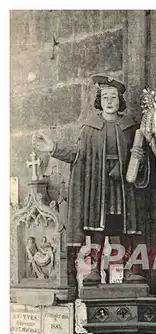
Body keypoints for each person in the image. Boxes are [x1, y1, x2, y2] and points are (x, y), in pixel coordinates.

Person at [32, 75, 147, 286]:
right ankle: (94, 269)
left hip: (123, 188)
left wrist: (126, 166)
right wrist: (54, 148)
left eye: (113, 97)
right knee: (98, 229)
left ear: (120, 100)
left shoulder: (131, 127)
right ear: (99, 100)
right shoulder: (89, 128)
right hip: (99, 187)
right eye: (105, 97)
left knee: (122, 229)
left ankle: (126, 269)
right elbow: (78, 153)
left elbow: (140, 155)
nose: (109, 101)